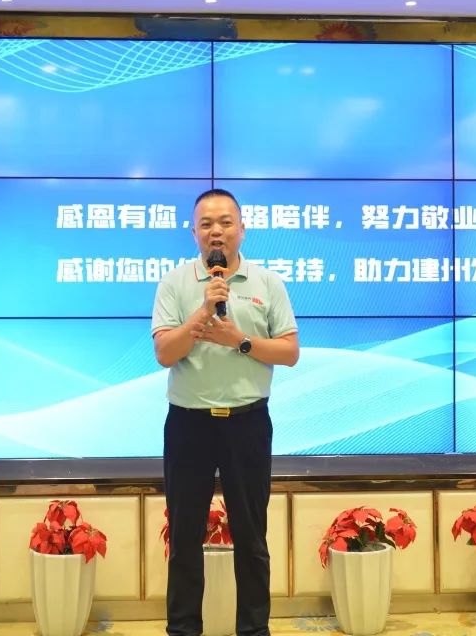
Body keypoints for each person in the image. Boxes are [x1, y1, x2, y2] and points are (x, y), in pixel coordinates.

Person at [151, 188, 299, 636]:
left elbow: (289, 352)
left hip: (247, 422)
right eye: (206, 224)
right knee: (184, 537)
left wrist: (241, 341)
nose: (216, 231)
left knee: (251, 537)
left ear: (242, 229)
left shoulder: (267, 283)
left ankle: (254, 630)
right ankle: (183, 629)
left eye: (225, 222)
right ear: (194, 232)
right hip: (189, 423)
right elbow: (164, 353)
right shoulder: (175, 283)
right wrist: (201, 313)